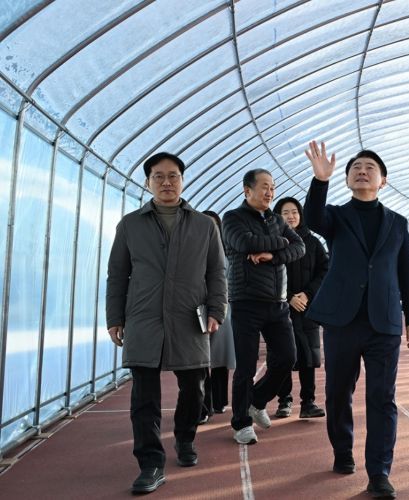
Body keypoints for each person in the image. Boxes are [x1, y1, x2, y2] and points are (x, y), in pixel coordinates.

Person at [304, 141, 409, 500]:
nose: (362, 171)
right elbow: (312, 219)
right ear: (347, 179)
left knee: (383, 397)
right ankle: (342, 450)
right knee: (339, 392)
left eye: (370, 168)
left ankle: (379, 472)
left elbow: (407, 271)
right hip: (342, 320)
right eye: (356, 168)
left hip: (383, 321)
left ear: (383, 180)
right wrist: (319, 181)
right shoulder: (336, 216)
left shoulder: (398, 223)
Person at [106, 152, 227, 494]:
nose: (166, 182)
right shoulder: (130, 225)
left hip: (189, 317)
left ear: (183, 181)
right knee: (144, 397)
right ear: (148, 183)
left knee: (195, 388)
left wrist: (217, 310)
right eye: (158, 176)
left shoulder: (204, 225)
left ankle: (185, 439)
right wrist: (115, 317)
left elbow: (217, 272)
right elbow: (117, 274)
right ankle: (151, 464)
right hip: (143, 318)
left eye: (173, 175)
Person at [222, 169, 305, 445]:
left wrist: (272, 255)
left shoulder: (277, 220)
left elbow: (300, 247)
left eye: (273, 187)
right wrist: (282, 242)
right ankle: (241, 423)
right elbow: (244, 242)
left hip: (277, 303)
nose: (270, 192)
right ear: (247, 190)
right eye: (265, 187)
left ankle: (256, 401)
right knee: (246, 366)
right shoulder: (233, 218)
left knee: (288, 357)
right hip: (246, 301)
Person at [272, 197, 329, 419]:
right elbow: (267, 275)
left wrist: (306, 294)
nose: (291, 216)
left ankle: (308, 403)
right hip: (280, 309)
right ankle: (284, 401)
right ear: (278, 216)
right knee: (283, 356)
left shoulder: (313, 242)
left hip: (307, 307)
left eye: (294, 212)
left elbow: (325, 270)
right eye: (285, 212)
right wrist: (288, 298)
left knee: (308, 356)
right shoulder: (272, 241)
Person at [199, 211, 236, 423]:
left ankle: (220, 400)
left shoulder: (227, 252)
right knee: (199, 359)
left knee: (220, 358)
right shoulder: (191, 250)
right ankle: (204, 403)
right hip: (197, 309)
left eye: (213, 224)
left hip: (222, 309)